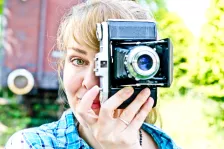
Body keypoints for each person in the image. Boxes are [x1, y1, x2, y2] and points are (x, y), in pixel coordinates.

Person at [5, 0, 180, 148]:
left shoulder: (165, 144)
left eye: (110, 65)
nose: (90, 82)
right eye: (78, 61)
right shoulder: (32, 144)